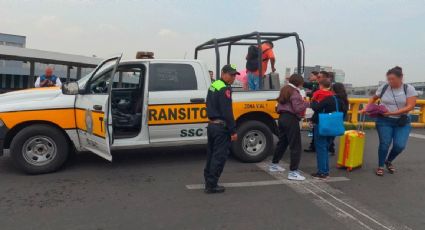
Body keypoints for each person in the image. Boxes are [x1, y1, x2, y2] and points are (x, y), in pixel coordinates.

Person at [364, 66, 417, 176]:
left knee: (399, 146)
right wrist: (367, 108)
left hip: (402, 121)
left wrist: (392, 113)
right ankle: (380, 166)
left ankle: (389, 161)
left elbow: (410, 106)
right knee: (384, 144)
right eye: (389, 79)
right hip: (384, 120)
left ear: (401, 77)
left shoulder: (409, 89)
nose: (390, 82)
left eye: (393, 79)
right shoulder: (384, 87)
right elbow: (373, 98)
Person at [204, 64, 239, 194]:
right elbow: (227, 112)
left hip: (212, 125)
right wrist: (233, 131)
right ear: (223, 73)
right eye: (231, 74)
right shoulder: (224, 89)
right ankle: (212, 185)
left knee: (211, 155)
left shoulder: (214, 85)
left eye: (235, 75)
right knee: (219, 156)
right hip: (220, 127)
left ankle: (208, 180)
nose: (233, 77)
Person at [269, 74, 309, 181]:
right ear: (298, 83)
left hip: (282, 118)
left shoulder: (285, 89)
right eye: (301, 83)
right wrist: (307, 103)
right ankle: (293, 172)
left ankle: (274, 164)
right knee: (295, 146)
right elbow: (297, 108)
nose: (301, 86)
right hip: (291, 119)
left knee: (283, 142)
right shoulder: (295, 92)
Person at [311, 82, 349, 179]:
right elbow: (344, 115)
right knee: (325, 149)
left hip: (323, 126)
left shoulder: (330, 99)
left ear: (332, 90)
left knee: (321, 149)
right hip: (335, 127)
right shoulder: (344, 101)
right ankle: (325, 171)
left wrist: (314, 101)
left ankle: (322, 172)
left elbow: (316, 108)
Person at [304, 71, 334, 153]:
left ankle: (327, 148)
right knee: (318, 131)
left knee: (321, 131)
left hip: (321, 113)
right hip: (324, 114)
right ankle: (317, 147)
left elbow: (315, 103)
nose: (317, 78)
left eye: (319, 77)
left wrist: (313, 102)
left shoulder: (324, 89)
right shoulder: (328, 91)